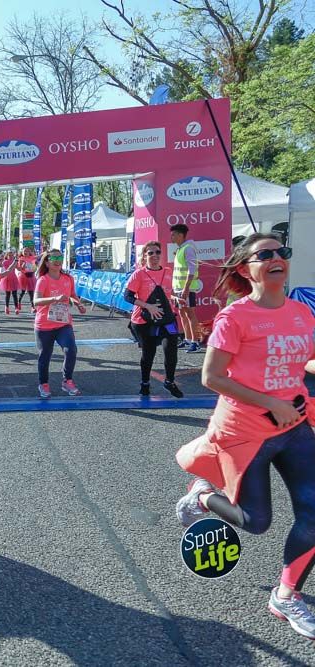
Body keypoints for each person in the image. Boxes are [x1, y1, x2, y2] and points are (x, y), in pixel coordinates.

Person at [174, 234, 315, 640]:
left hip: (294, 427)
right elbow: (212, 377)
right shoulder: (234, 318)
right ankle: (202, 494)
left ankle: (286, 595)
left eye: (282, 252)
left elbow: (305, 357)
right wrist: (271, 402)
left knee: (314, 513)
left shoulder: (302, 313)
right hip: (244, 432)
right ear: (243, 268)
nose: (277, 258)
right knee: (256, 523)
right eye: (264, 254)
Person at [124, 241, 183, 397]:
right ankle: (145, 383)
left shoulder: (169, 272)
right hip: (144, 321)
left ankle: (169, 382)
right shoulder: (139, 274)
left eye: (157, 252)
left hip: (165, 318)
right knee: (148, 354)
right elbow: (127, 296)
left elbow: (169, 293)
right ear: (145, 256)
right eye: (150, 253)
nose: (154, 256)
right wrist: (147, 306)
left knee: (171, 349)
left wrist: (176, 298)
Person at [33, 250, 86, 398]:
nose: (57, 260)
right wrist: (54, 298)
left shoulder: (68, 278)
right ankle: (43, 384)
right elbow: (36, 301)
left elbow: (73, 295)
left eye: (60, 257)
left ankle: (67, 380)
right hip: (44, 324)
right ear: (47, 262)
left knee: (71, 350)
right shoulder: (43, 280)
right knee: (45, 356)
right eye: (53, 258)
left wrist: (78, 304)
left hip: (63, 323)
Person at [170, 223, 204, 353]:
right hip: (179, 288)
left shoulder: (188, 248)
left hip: (187, 289)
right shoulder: (181, 248)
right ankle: (188, 339)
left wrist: (185, 289)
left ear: (180, 235)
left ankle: (196, 342)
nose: (171, 237)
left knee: (190, 314)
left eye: (173, 235)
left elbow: (192, 270)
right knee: (182, 313)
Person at [16, 248, 38, 312]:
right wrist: (23, 265)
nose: (26, 252)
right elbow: (19, 269)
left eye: (27, 251)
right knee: (22, 292)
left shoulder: (32, 258)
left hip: (31, 276)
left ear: (29, 252)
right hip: (23, 276)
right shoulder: (21, 259)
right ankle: (19, 302)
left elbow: (37, 259)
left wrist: (45, 253)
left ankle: (33, 307)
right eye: (24, 251)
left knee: (31, 292)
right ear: (22, 252)